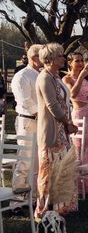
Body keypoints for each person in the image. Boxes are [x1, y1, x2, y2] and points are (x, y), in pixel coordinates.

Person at [35, 43, 78, 217]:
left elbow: (65, 102)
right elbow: (52, 105)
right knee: (50, 171)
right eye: (60, 55)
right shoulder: (44, 77)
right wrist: (67, 122)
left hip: (63, 131)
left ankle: (61, 206)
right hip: (53, 131)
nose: (64, 58)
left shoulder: (56, 77)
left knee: (63, 169)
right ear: (51, 59)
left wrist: (68, 122)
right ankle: (45, 208)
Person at [63, 52, 88, 194]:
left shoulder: (86, 78)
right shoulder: (67, 78)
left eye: (81, 61)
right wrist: (80, 76)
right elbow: (73, 94)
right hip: (78, 115)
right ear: (70, 63)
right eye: (77, 61)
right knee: (79, 147)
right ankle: (79, 184)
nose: (80, 63)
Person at [10, 44, 43, 193]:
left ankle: (33, 197)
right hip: (28, 121)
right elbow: (25, 101)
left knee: (37, 161)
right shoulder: (22, 76)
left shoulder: (41, 74)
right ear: (34, 58)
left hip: (41, 121)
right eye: (43, 56)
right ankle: (16, 199)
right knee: (24, 160)